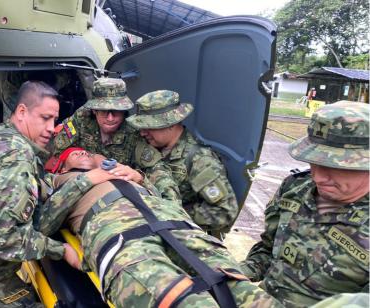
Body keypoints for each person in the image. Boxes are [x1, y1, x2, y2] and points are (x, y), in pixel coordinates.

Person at [0, 81, 114, 307]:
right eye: (45, 118)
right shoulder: (16, 160)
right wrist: (62, 249)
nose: (51, 127)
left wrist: (73, 181)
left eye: (55, 120)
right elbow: (4, 238)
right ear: (21, 112)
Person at [37, 147, 283, 308]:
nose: (83, 153)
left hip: (174, 223)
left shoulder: (121, 170)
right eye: (74, 153)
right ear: (61, 165)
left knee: (243, 290)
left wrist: (139, 177)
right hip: (120, 233)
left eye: (86, 150)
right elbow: (43, 223)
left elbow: (167, 197)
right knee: (181, 301)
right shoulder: (57, 181)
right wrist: (86, 180)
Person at [240, 101, 369, 307]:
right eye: (314, 161)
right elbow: (268, 249)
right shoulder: (295, 187)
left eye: (333, 165)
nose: (318, 176)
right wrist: (237, 273)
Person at [126, 90, 239, 236]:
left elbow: (225, 212)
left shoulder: (200, 160)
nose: (142, 133)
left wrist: (175, 212)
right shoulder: (152, 145)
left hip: (181, 234)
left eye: (149, 127)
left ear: (171, 123)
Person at [53, 77, 140, 165]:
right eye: (103, 111)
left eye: (116, 111)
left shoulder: (134, 131)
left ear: (124, 111)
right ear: (94, 110)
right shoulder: (81, 118)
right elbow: (58, 149)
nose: (110, 118)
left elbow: (150, 171)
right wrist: (86, 160)